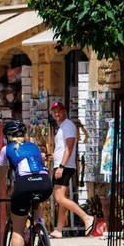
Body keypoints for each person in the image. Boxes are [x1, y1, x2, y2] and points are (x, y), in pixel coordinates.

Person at [0, 120, 52, 246]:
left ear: (7, 136)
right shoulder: (35, 147)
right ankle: (40, 227)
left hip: (24, 184)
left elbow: (2, 177)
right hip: (45, 183)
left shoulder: (6, 149)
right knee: (37, 200)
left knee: (17, 229)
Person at [50, 102, 95, 238]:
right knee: (63, 198)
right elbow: (63, 149)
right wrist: (50, 156)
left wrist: (61, 167)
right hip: (62, 164)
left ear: (64, 111)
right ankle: (59, 229)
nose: (56, 114)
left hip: (64, 166)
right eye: (54, 111)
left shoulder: (68, 126)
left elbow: (69, 147)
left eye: (59, 111)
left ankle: (86, 218)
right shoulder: (63, 127)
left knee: (59, 197)